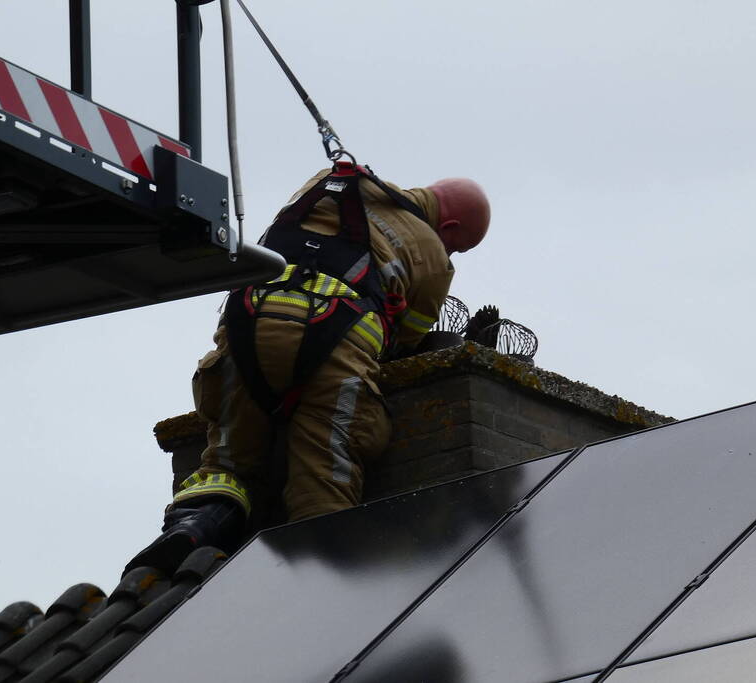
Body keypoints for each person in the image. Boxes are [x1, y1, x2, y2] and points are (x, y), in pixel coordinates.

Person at [125, 163, 490, 575]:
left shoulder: (330, 184)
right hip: (335, 346)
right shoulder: (432, 253)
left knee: (226, 464)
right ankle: (318, 583)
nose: (452, 254)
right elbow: (405, 345)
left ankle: (192, 528)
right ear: (452, 226)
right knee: (323, 483)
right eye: (457, 246)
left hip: (246, 325)